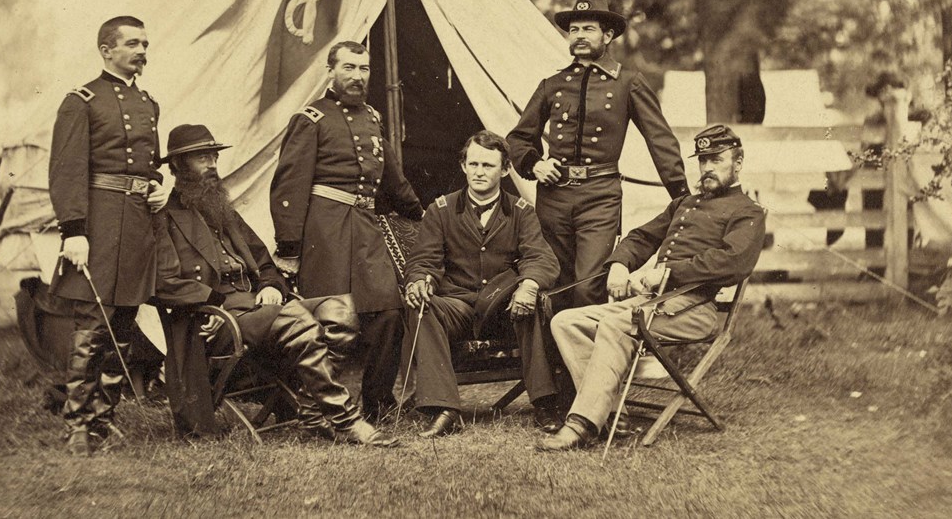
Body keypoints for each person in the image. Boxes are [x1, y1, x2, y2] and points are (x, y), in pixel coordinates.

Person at [150, 124, 397, 447]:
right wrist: (210, 301)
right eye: (201, 158)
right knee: (297, 320)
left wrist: (271, 285)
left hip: (258, 309)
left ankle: (310, 412)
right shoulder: (164, 218)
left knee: (341, 309)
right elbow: (161, 282)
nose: (211, 164)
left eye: (213, 156)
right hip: (216, 321)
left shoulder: (223, 211)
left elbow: (263, 262)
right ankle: (346, 419)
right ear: (178, 166)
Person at [537, 124, 766, 451]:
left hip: (693, 308)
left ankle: (583, 424)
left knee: (617, 325)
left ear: (738, 162)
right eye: (703, 160)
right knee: (567, 321)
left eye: (716, 159)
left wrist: (668, 273)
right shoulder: (684, 205)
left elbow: (733, 261)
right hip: (650, 303)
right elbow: (642, 237)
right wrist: (619, 264)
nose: (707, 168)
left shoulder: (748, 212)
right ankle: (615, 414)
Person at [270, 41, 424, 421]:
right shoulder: (311, 118)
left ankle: (376, 402)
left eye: (364, 68)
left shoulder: (372, 117)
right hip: (325, 231)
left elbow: (392, 176)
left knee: (388, 311)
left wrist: (419, 213)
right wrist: (289, 247)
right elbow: (288, 187)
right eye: (349, 68)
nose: (358, 76)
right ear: (331, 71)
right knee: (332, 320)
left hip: (366, 229)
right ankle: (314, 407)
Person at [506, 0, 688, 311]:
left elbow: (660, 139)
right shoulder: (553, 84)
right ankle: (554, 361)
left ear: (607, 36)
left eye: (588, 29)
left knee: (589, 285)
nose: (579, 36)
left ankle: (587, 360)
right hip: (554, 196)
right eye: (574, 30)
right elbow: (518, 139)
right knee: (553, 283)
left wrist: (681, 195)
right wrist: (535, 165)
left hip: (600, 197)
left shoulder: (628, 83)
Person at [48, 15, 170, 455]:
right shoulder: (82, 101)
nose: (142, 51)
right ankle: (77, 425)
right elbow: (67, 170)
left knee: (123, 326)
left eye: (145, 43)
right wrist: (73, 231)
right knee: (91, 327)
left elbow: (144, 163)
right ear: (106, 50)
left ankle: (103, 420)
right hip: (98, 224)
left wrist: (155, 185)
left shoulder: (148, 102)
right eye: (133, 43)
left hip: (136, 224)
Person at [400, 130, 563, 437]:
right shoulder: (441, 210)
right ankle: (444, 408)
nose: (478, 172)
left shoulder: (521, 212)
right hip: (457, 307)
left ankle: (544, 403)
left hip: (505, 309)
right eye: (473, 164)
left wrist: (528, 286)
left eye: (487, 166)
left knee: (535, 303)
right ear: (463, 166)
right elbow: (424, 259)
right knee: (424, 307)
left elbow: (541, 258)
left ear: (504, 170)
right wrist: (420, 280)